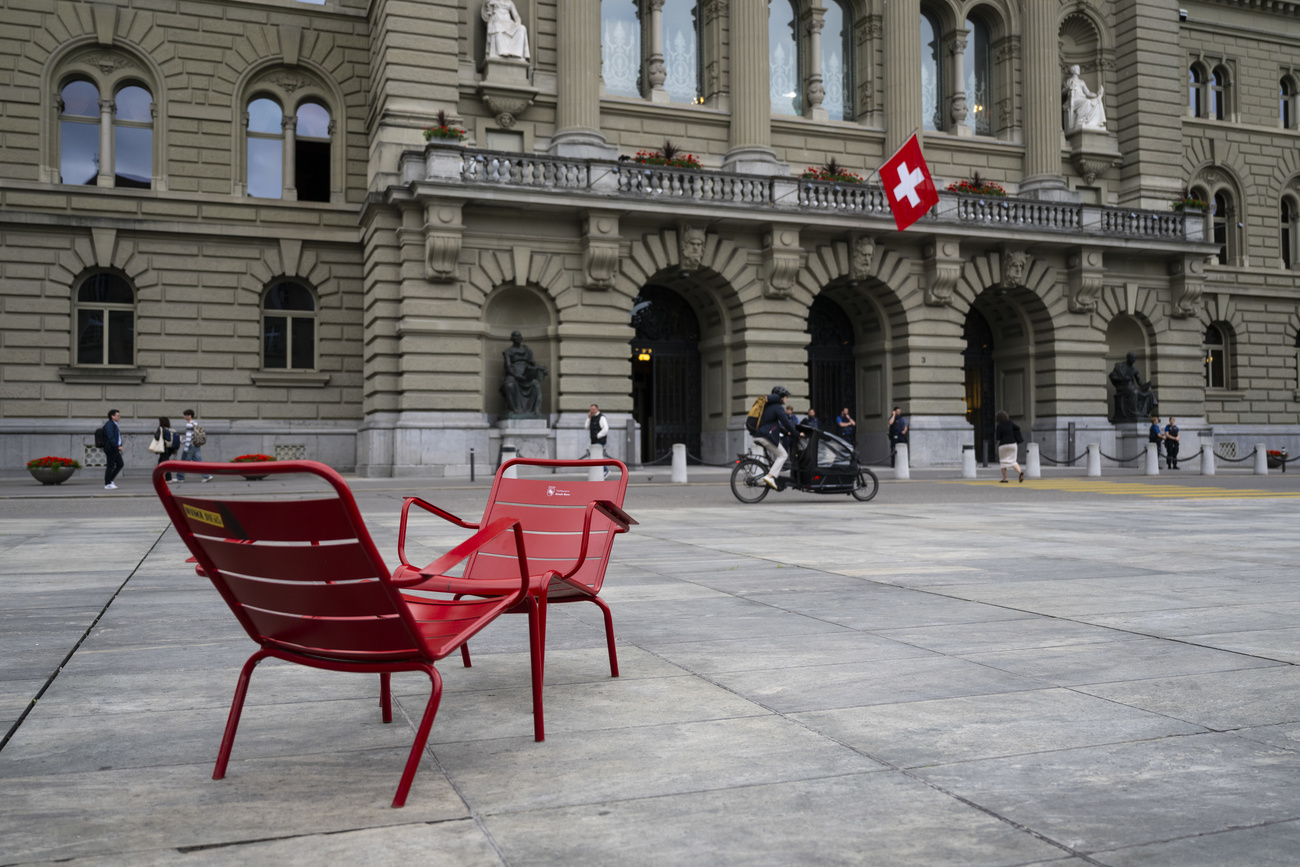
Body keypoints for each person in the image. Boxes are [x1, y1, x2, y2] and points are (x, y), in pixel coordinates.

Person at [754, 386, 798, 489]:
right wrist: (795, 433)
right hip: (765, 436)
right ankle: (770, 477)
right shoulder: (778, 407)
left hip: (760, 435)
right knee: (783, 455)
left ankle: (770, 478)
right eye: (785, 397)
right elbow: (786, 422)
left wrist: (787, 433)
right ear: (781, 397)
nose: (786, 399)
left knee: (777, 457)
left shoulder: (768, 406)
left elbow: (776, 425)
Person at [500, 331, 548, 417]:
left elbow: (533, 364)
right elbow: (508, 367)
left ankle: (536, 410)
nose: (518, 339)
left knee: (536, 385)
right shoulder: (508, 351)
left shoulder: (527, 350)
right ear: (512, 339)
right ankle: (514, 410)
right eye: (516, 337)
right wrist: (516, 375)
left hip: (526, 374)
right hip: (514, 374)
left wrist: (541, 368)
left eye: (519, 337)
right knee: (509, 386)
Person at [1109, 352, 1158, 421]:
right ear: (1128, 358)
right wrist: (1122, 379)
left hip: (1131, 387)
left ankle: (1143, 413)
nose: (1134, 360)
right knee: (1134, 392)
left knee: (1149, 394)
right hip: (1122, 388)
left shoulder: (1134, 369)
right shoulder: (1119, 366)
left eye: (1135, 358)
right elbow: (1112, 376)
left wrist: (1146, 385)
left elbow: (1139, 382)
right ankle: (1134, 413)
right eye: (1132, 358)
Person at [176, 409, 213, 483]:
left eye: (185, 415)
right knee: (198, 462)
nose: (184, 417)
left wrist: (185, 446)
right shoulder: (196, 423)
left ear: (189, 416)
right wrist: (184, 441)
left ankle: (180, 478)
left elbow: (189, 437)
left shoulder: (189, 424)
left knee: (183, 462)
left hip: (190, 446)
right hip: (196, 445)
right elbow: (193, 436)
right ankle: (207, 476)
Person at [994, 410, 1024, 483]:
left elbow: (998, 437)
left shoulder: (999, 426)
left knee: (1003, 462)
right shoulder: (1010, 423)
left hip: (1003, 445)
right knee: (1013, 461)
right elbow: (1018, 428)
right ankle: (1020, 472)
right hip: (1013, 444)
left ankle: (1005, 478)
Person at [153, 416, 181, 483]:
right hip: (170, 449)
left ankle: (168, 479)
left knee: (164, 464)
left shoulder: (161, 429)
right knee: (161, 462)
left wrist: (155, 433)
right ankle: (160, 477)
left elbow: (157, 437)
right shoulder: (169, 429)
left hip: (164, 448)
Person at [587, 403, 610, 478]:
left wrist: (598, 436)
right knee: (597, 457)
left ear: (597, 409)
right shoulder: (592, 418)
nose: (592, 411)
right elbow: (586, 427)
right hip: (594, 440)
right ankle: (604, 470)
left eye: (593, 409)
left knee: (598, 456)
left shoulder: (601, 417)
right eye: (591, 410)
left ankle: (606, 470)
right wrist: (588, 418)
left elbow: (605, 428)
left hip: (600, 440)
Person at [102, 409, 123, 490]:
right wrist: (117, 445)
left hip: (114, 448)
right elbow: (110, 437)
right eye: (118, 415)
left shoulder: (114, 424)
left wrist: (119, 445)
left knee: (120, 464)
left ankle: (110, 480)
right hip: (111, 448)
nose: (119, 417)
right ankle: (107, 483)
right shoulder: (110, 424)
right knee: (110, 465)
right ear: (112, 416)